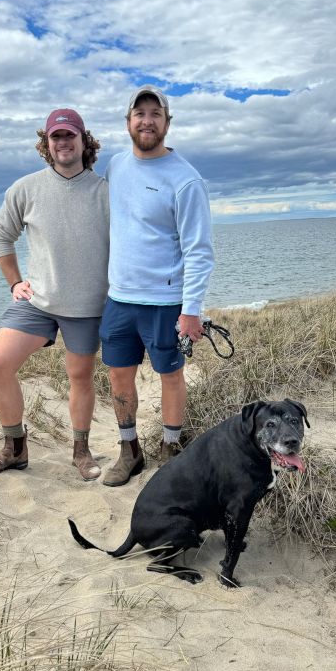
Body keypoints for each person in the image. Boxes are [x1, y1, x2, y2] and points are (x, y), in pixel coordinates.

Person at [0, 109, 109, 480]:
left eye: (70, 136)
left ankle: (81, 450)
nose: (63, 143)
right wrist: (15, 283)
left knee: (79, 376)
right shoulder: (25, 188)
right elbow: (2, 235)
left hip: (86, 305)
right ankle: (14, 448)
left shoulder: (104, 191)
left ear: (84, 141)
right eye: (55, 137)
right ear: (47, 145)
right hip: (38, 301)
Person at [100, 85, 214, 487]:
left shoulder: (186, 179)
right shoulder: (115, 166)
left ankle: (170, 446)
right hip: (119, 299)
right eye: (139, 113)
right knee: (118, 377)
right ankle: (129, 450)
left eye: (155, 113)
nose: (146, 120)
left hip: (166, 302)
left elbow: (200, 251)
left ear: (167, 122)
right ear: (128, 121)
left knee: (170, 375)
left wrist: (191, 309)